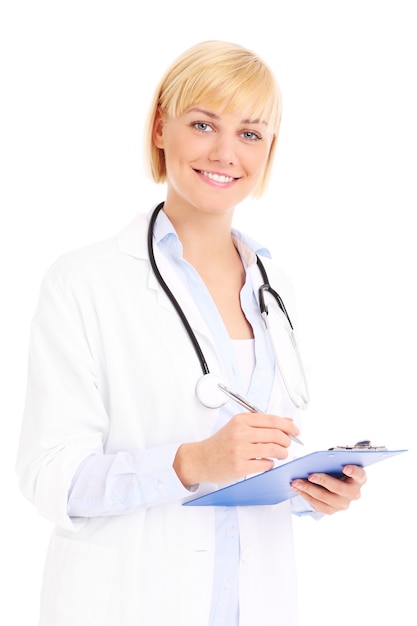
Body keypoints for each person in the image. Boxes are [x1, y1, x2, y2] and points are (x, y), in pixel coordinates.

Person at [16, 40, 367, 626]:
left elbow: (255, 456)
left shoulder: (274, 287)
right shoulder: (83, 281)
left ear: (269, 150)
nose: (225, 152)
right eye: (203, 124)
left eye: (251, 134)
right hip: (127, 602)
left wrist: (312, 490)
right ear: (160, 129)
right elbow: (48, 477)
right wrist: (191, 462)